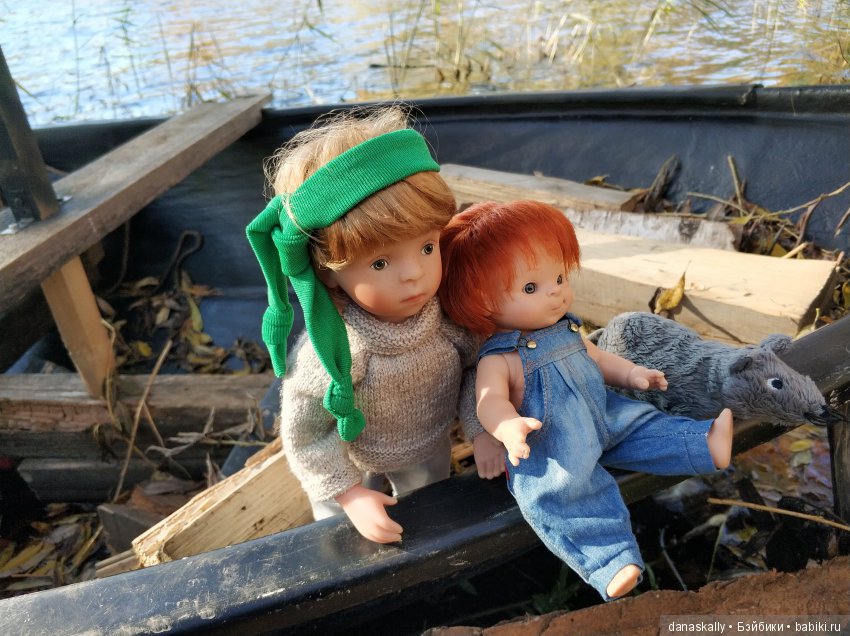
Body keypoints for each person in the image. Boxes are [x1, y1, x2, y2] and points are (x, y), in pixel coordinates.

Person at [438, 200, 733, 600]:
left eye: (560, 277)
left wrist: (632, 374)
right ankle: (609, 561)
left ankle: (703, 443)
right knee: (562, 492)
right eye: (531, 288)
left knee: (644, 425)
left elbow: (598, 358)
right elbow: (488, 401)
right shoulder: (499, 357)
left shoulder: (567, 328)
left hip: (604, 412)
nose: (556, 292)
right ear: (484, 302)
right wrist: (508, 426)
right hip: (553, 439)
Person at [246, 106, 501, 544]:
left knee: (432, 508)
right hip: (350, 455)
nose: (414, 274)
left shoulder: (449, 320)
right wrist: (347, 494)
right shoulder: (337, 352)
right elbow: (306, 434)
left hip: (428, 445)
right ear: (328, 273)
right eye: (380, 262)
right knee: (341, 529)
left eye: (427, 247)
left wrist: (481, 430)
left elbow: (478, 371)